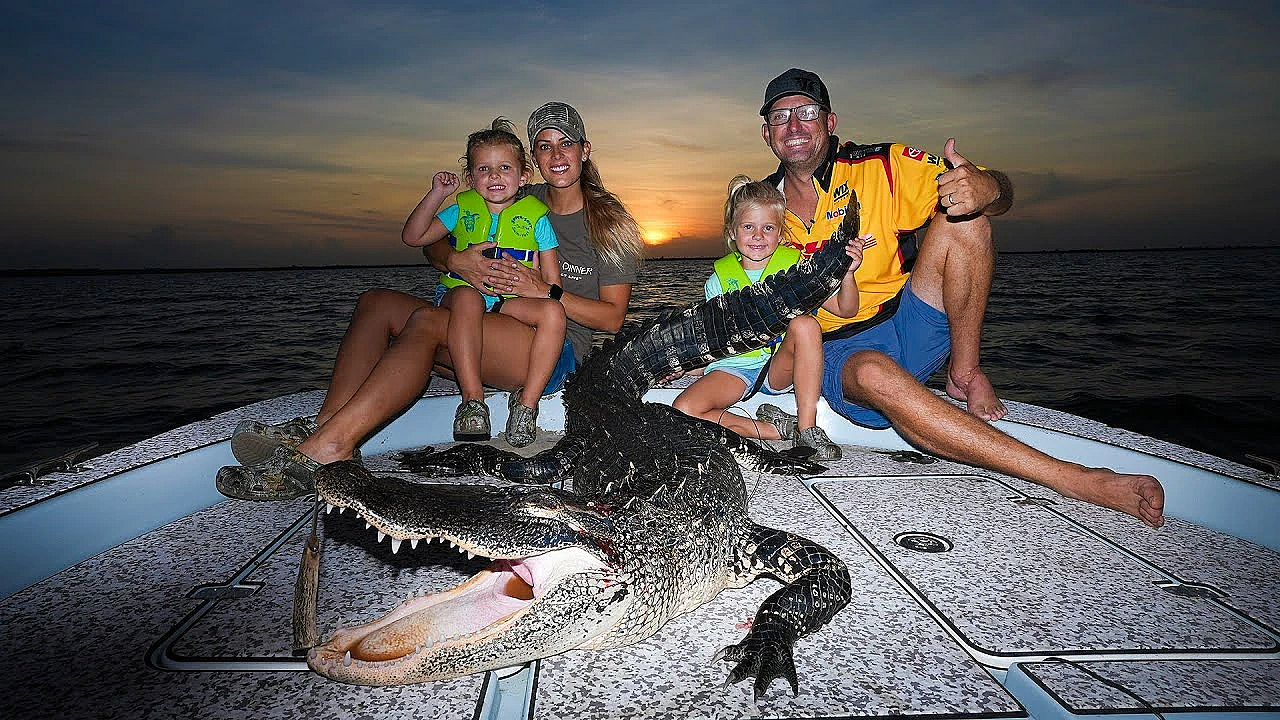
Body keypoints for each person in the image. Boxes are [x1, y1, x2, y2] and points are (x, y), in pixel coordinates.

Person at [752, 68, 1165, 527]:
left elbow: (991, 191)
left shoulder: (882, 166)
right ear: (767, 133)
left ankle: (964, 373)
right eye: (780, 116)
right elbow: (743, 299)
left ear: (830, 123)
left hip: (908, 317)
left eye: (806, 112)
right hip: (842, 353)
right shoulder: (759, 210)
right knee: (871, 370)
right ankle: (1071, 478)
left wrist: (988, 189)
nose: (794, 125)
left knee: (968, 219)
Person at [214, 101, 642, 501]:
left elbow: (612, 320)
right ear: (532, 159)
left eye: (567, 143)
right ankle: (326, 421)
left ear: (585, 150)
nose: (557, 154)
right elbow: (430, 246)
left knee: (428, 322)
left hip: (554, 351)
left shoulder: (609, 223)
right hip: (490, 322)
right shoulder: (516, 194)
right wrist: (458, 260)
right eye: (545, 146)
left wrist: (546, 291)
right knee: (377, 303)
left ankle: (329, 449)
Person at [672, 175, 868, 461]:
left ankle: (808, 427)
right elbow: (712, 339)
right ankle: (776, 429)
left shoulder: (798, 269)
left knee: (805, 323)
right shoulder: (717, 281)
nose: (758, 236)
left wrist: (847, 273)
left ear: (780, 233)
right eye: (748, 227)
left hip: (779, 367)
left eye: (768, 228)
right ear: (733, 232)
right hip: (734, 367)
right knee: (683, 410)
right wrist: (686, 367)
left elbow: (845, 309)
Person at [400, 117, 566, 444]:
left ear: (523, 176)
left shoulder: (538, 221)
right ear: (470, 178)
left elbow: (551, 283)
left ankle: (527, 404)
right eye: (484, 169)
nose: (494, 176)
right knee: (468, 297)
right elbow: (413, 236)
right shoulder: (460, 211)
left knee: (554, 312)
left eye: (504, 168)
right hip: (461, 297)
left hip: (507, 303)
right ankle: (473, 401)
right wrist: (437, 194)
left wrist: (529, 285)